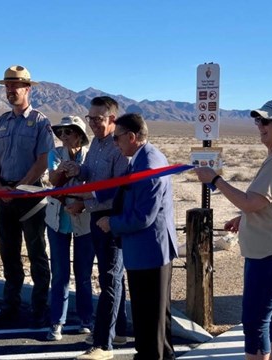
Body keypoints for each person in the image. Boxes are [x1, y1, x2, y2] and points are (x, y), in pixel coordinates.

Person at [195, 99, 272, 360]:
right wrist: (243, 217)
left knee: (255, 322)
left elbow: (252, 201)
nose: (260, 126)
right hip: (270, 250)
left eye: (266, 121)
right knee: (261, 321)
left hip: (271, 253)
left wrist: (215, 180)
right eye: (258, 121)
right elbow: (269, 204)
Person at [97, 113, 178, 360]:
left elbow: (142, 217)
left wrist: (111, 223)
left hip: (149, 252)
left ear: (132, 137)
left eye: (117, 137)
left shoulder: (149, 166)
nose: (115, 143)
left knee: (148, 317)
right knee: (155, 315)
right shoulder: (143, 157)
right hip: (148, 250)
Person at [0, 65, 54, 329]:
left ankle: (40, 307)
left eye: (15, 86)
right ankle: (10, 306)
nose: (10, 90)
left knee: (37, 253)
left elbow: (44, 160)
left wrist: (21, 186)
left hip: (31, 197)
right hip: (3, 196)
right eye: (7, 86)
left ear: (28, 89)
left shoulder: (40, 122)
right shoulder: (0, 122)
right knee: (9, 254)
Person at [65, 96, 129, 360]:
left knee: (110, 279)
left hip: (110, 219)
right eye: (90, 118)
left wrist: (85, 202)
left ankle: (103, 345)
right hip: (96, 218)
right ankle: (120, 330)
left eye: (97, 119)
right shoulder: (97, 145)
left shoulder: (119, 149)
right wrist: (77, 170)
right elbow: (92, 173)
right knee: (112, 276)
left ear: (112, 119)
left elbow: (120, 192)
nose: (92, 123)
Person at [44, 116, 95, 341]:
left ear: (79, 135)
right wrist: (63, 172)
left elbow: (95, 185)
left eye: (69, 132)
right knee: (60, 272)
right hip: (57, 219)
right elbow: (53, 181)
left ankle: (86, 318)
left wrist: (82, 202)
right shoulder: (55, 155)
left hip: (83, 219)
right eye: (61, 132)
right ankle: (57, 322)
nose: (64, 136)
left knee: (83, 273)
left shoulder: (91, 157)